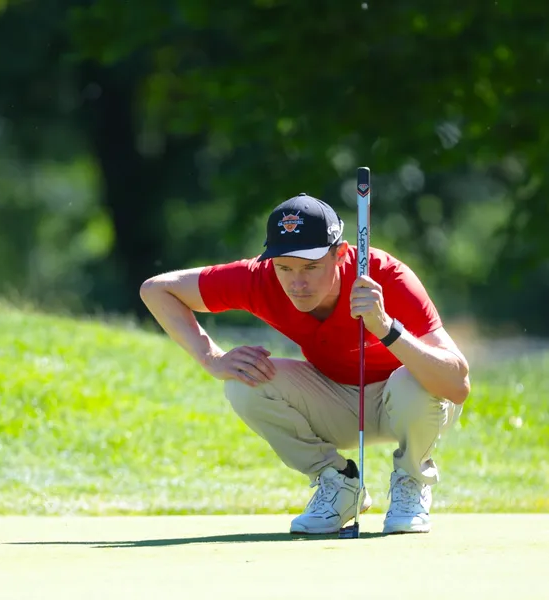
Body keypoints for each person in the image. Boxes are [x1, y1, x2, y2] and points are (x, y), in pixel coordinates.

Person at [140, 193, 470, 535]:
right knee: (243, 381)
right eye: (285, 267)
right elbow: (156, 290)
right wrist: (212, 358)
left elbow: (456, 384)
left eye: (311, 267)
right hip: (337, 405)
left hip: (408, 404)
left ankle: (411, 481)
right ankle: (340, 485)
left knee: (412, 379)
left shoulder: (385, 276)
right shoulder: (261, 279)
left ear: (340, 254)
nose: (297, 283)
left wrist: (386, 328)